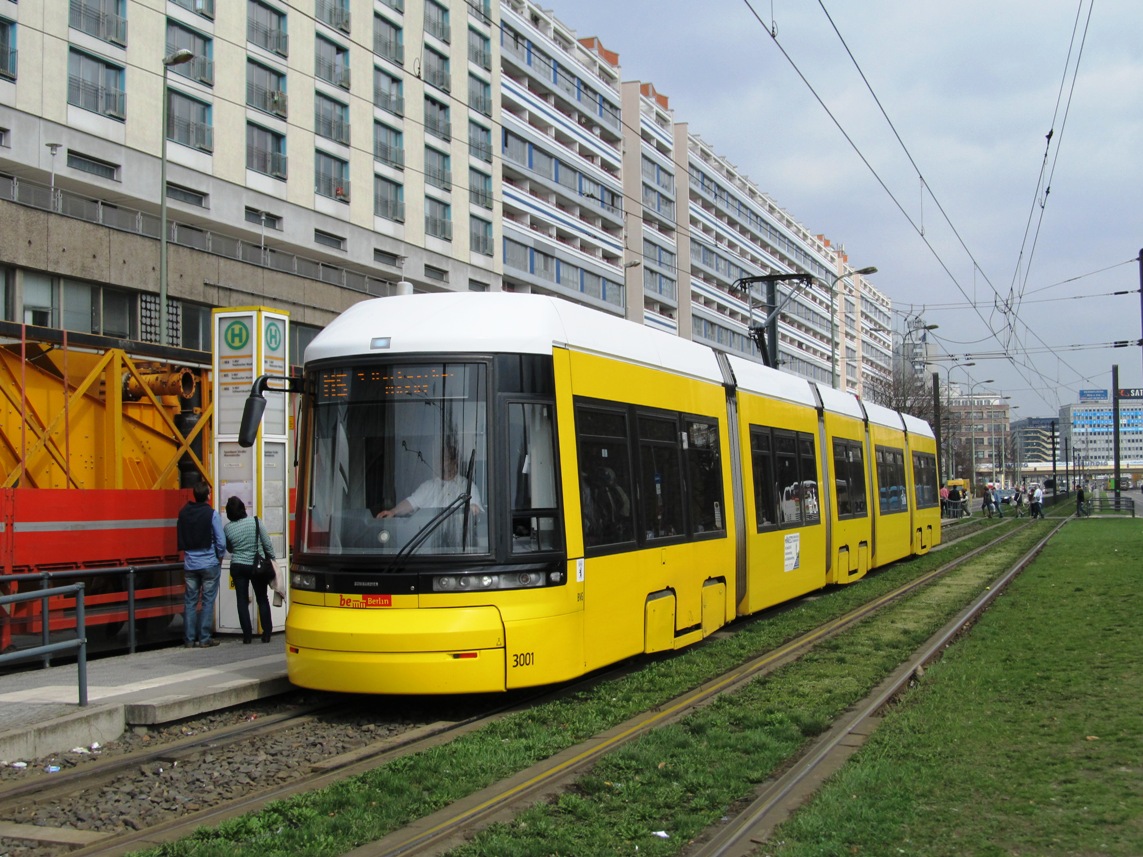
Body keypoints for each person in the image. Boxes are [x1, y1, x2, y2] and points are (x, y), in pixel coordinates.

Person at [176, 481, 226, 648]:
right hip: (209, 563)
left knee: (190, 601)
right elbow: (220, 541)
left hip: (190, 564)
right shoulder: (211, 514)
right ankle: (204, 638)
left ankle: (189, 640)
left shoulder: (183, 513)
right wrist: (219, 557)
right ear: (207, 495)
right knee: (207, 601)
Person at [377, 443, 482, 519]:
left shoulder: (468, 487)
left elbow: (475, 510)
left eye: (444, 459)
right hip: (428, 543)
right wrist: (393, 511)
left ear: (454, 462)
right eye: (439, 459)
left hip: (457, 545)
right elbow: (411, 503)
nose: (439, 462)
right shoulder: (428, 486)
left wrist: (473, 508)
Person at [224, 497, 276, 644]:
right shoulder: (255, 522)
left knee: (241, 600)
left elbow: (229, 548)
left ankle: (247, 636)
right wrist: (272, 560)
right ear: (243, 509)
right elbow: (267, 543)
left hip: (238, 566)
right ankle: (266, 633)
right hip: (257, 566)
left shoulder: (227, 528)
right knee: (262, 598)